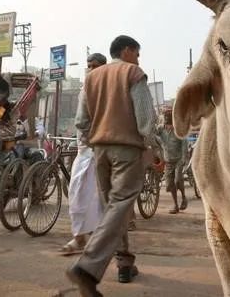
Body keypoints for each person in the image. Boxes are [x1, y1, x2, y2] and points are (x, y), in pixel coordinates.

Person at [67, 35, 156, 294]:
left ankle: (124, 263)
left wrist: (94, 142)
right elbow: (145, 120)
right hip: (126, 150)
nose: (138, 58)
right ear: (128, 51)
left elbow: (81, 121)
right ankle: (87, 267)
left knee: (113, 211)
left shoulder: (91, 77)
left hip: (99, 151)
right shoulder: (133, 72)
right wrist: (152, 147)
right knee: (119, 208)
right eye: (137, 53)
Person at [60, 53, 107, 255]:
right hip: (84, 148)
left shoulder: (109, 91)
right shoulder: (84, 90)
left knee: (101, 198)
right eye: (89, 66)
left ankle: (99, 241)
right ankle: (79, 238)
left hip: (103, 148)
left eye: (95, 66)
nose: (90, 69)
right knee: (77, 193)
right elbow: (80, 121)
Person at [156, 109, 188, 214]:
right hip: (168, 161)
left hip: (178, 160)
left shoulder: (178, 130)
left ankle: (183, 197)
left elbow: (184, 143)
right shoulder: (161, 129)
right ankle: (176, 205)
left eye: (169, 124)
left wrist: (183, 158)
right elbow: (153, 133)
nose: (167, 126)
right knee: (169, 184)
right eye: (166, 124)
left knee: (177, 180)